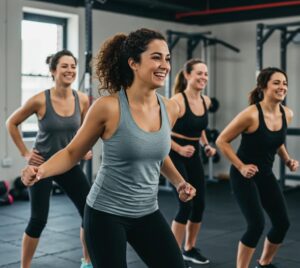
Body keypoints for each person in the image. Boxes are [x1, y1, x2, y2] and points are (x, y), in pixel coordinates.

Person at [20, 28, 197, 268]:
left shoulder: (170, 108)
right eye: (156, 57)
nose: (164, 65)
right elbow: (72, 153)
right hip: (106, 214)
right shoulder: (108, 107)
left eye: (167, 58)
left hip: (147, 211)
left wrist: (179, 182)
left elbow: (156, 152)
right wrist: (39, 171)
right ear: (133, 63)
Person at [6, 50, 93, 268]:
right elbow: (11, 123)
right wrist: (25, 153)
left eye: (73, 66)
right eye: (64, 66)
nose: (70, 70)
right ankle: (24, 266)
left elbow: (84, 131)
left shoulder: (82, 99)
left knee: (90, 212)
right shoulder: (39, 100)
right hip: (41, 166)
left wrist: (84, 149)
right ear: (53, 71)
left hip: (69, 164)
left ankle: (87, 261)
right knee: (38, 219)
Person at [216, 67, 299, 268]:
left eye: (285, 83)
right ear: (263, 87)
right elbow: (222, 141)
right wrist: (241, 166)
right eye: (276, 83)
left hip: (265, 174)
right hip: (243, 176)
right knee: (256, 225)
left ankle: (264, 263)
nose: (282, 87)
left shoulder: (287, 114)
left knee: (282, 223)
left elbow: (276, 140)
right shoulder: (251, 115)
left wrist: (288, 159)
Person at [170, 59, 216, 265]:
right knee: (185, 204)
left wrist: (206, 145)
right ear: (187, 75)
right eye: (199, 73)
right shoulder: (177, 101)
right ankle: (170, 254)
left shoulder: (205, 101)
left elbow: (200, 128)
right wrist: (179, 148)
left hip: (194, 155)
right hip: (174, 154)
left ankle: (188, 249)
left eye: (206, 74)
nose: (203, 77)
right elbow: (160, 133)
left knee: (200, 205)